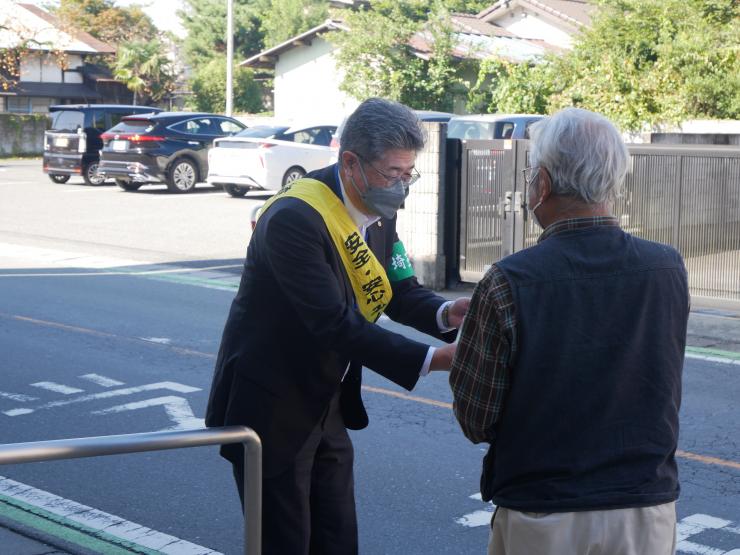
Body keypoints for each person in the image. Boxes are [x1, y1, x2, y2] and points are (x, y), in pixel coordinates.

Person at [206, 98, 470, 554]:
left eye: (409, 174)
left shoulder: (377, 207)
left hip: (327, 405)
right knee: (286, 543)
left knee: (337, 539)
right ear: (351, 163)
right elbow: (333, 323)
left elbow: (398, 289)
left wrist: (449, 314)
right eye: (394, 173)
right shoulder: (295, 218)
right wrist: (431, 360)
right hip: (273, 409)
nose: (402, 185)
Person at [449, 107, 689, 555]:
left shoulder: (508, 280)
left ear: (541, 183)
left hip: (542, 513)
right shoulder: (667, 268)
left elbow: (475, 419)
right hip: (645, 509)